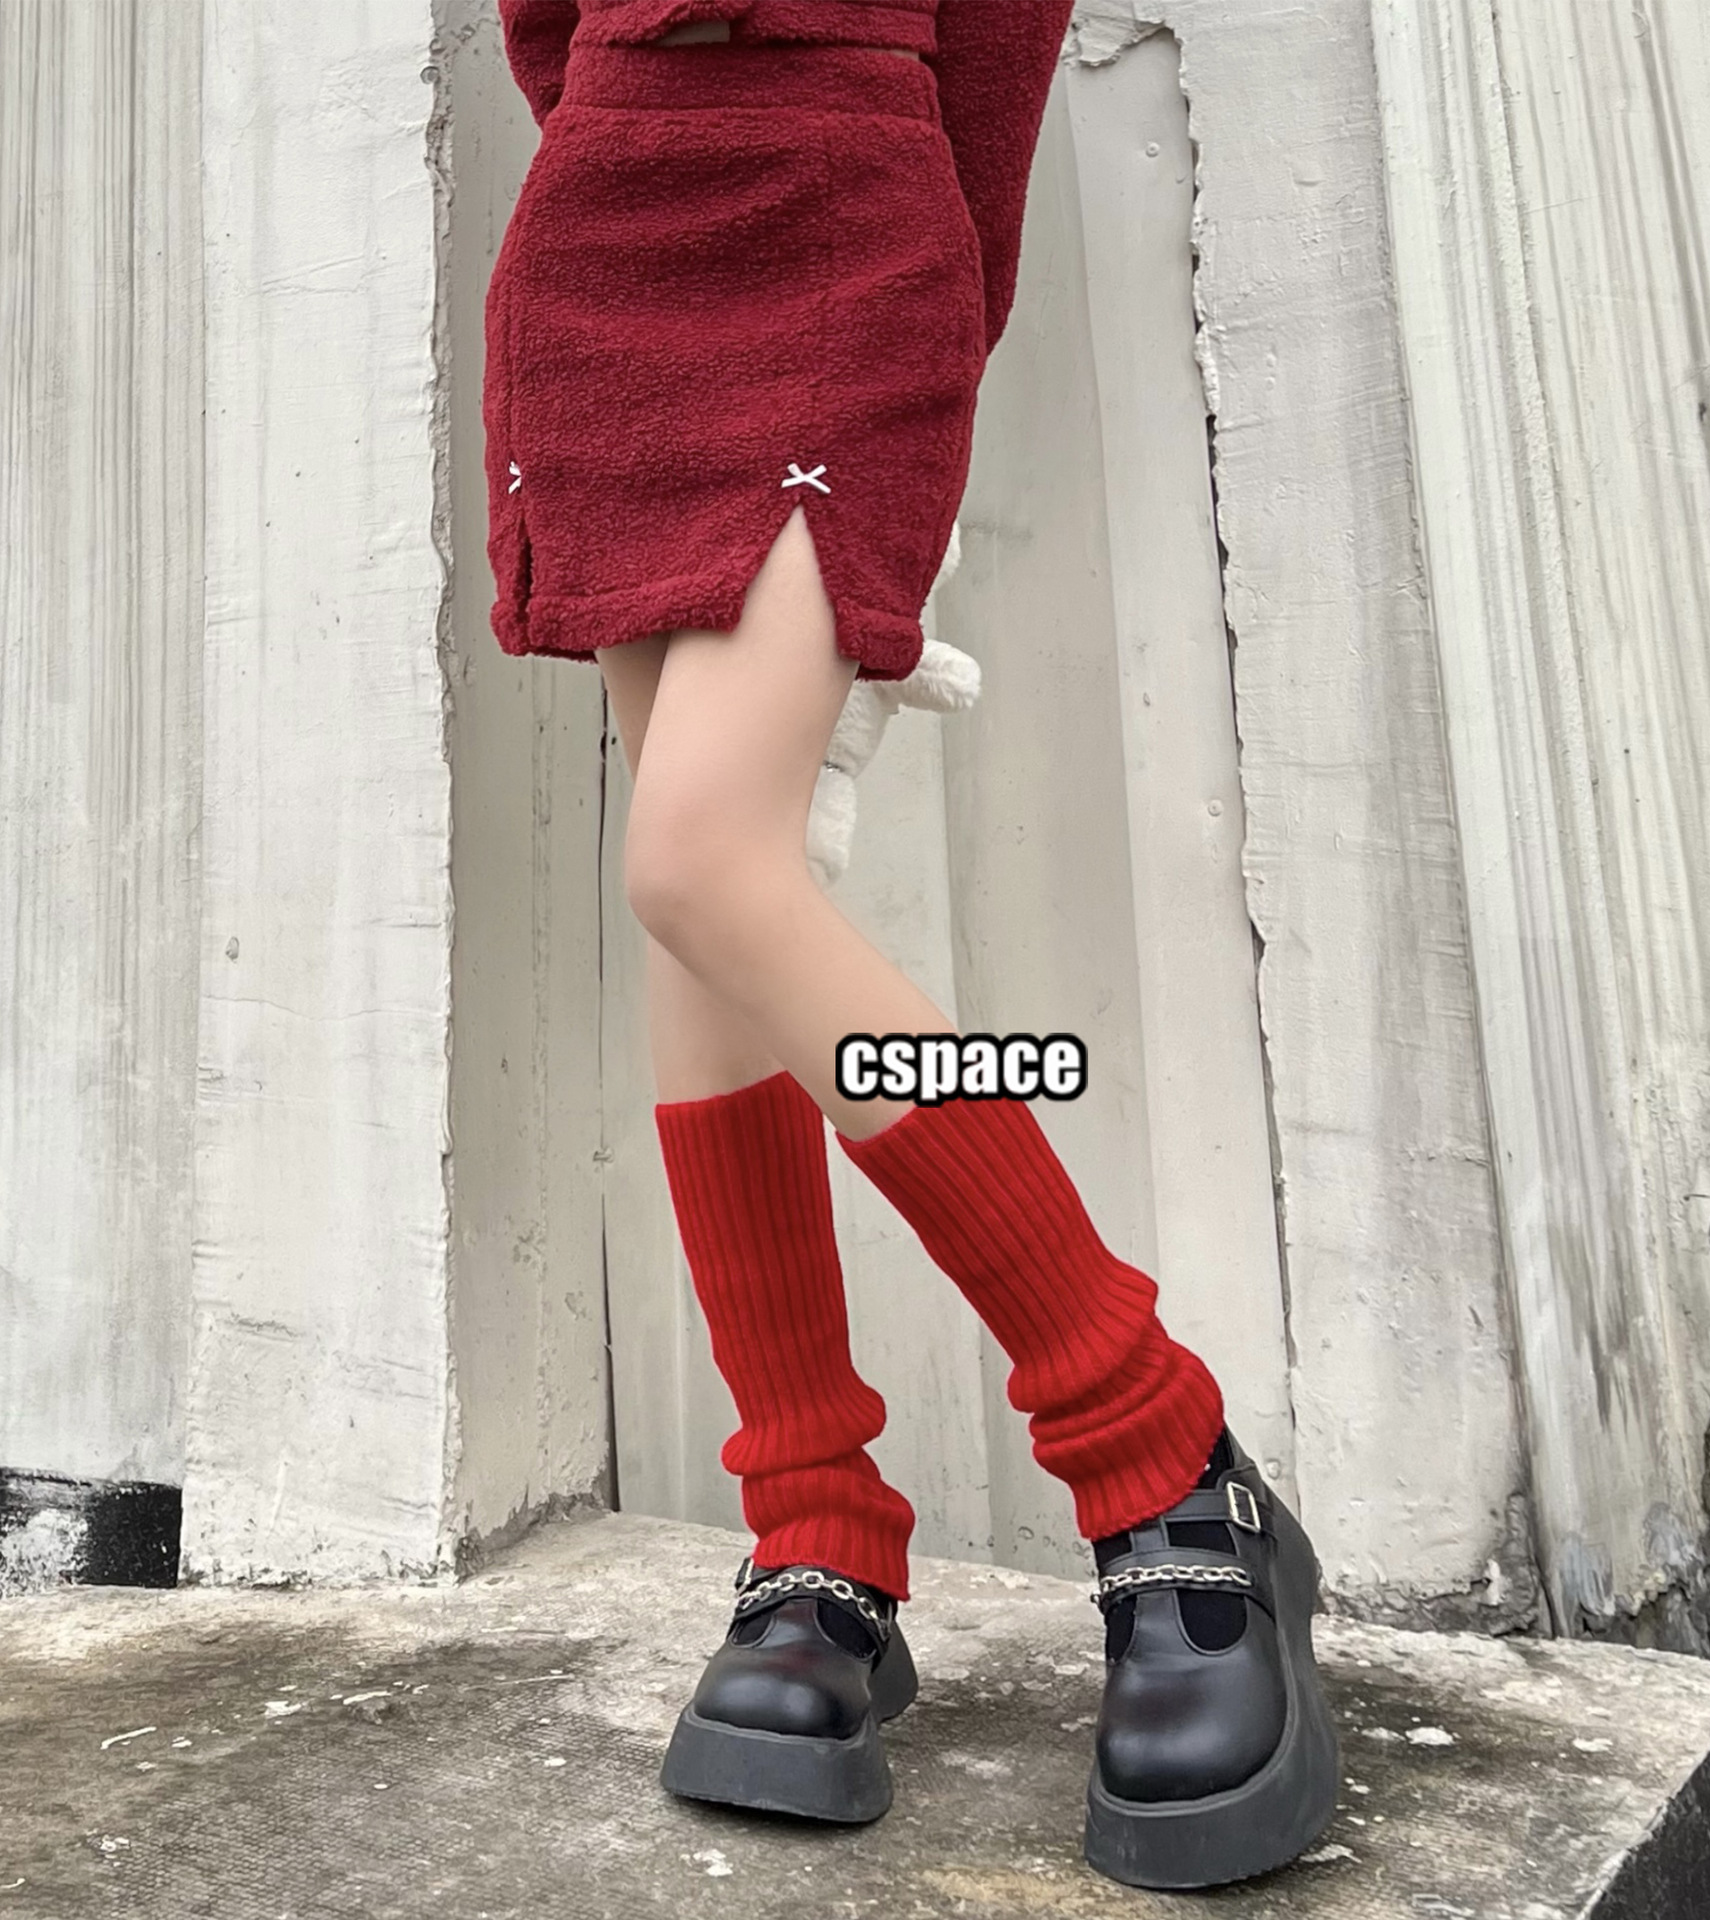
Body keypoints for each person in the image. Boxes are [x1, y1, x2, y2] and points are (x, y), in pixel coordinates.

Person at [485, 0, 1338, 1888]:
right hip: (603, 235)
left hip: (846, 229)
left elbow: (1002, 60)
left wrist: (932, 338)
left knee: (703, 864)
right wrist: (625, 115)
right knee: (700, 898)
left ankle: (1156, 1443)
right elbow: (544, 29)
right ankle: (816, 1527)